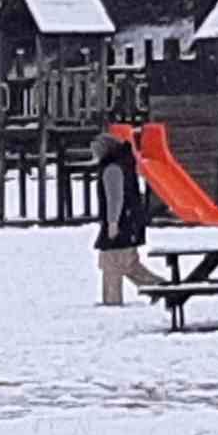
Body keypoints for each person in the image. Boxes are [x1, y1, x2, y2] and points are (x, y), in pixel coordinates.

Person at [92, 131, 164, 305]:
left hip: (121, 221)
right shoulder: (124, 163)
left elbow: (115, 198)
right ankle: (160, 287)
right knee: (129, 263)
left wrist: (112, 223)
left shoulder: (112, 169)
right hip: (131, 221)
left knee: (111, 263)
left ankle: (112, 301)